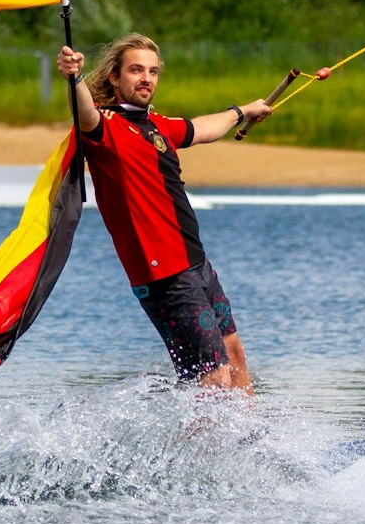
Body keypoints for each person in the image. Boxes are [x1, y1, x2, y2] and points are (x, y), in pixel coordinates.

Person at [56, 35, 273, 393]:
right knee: (212, 377)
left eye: (153, 71)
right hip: (164, 275)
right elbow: (85, 115)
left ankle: (250, 440)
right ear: (114, 76)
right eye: (136, 70)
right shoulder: (104, 129)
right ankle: (202, 448)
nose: (146, 78)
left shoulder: (156, 125)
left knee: (234, 358)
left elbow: (201, 129)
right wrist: (74, 78)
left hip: (196, 263)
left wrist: (241, 112)